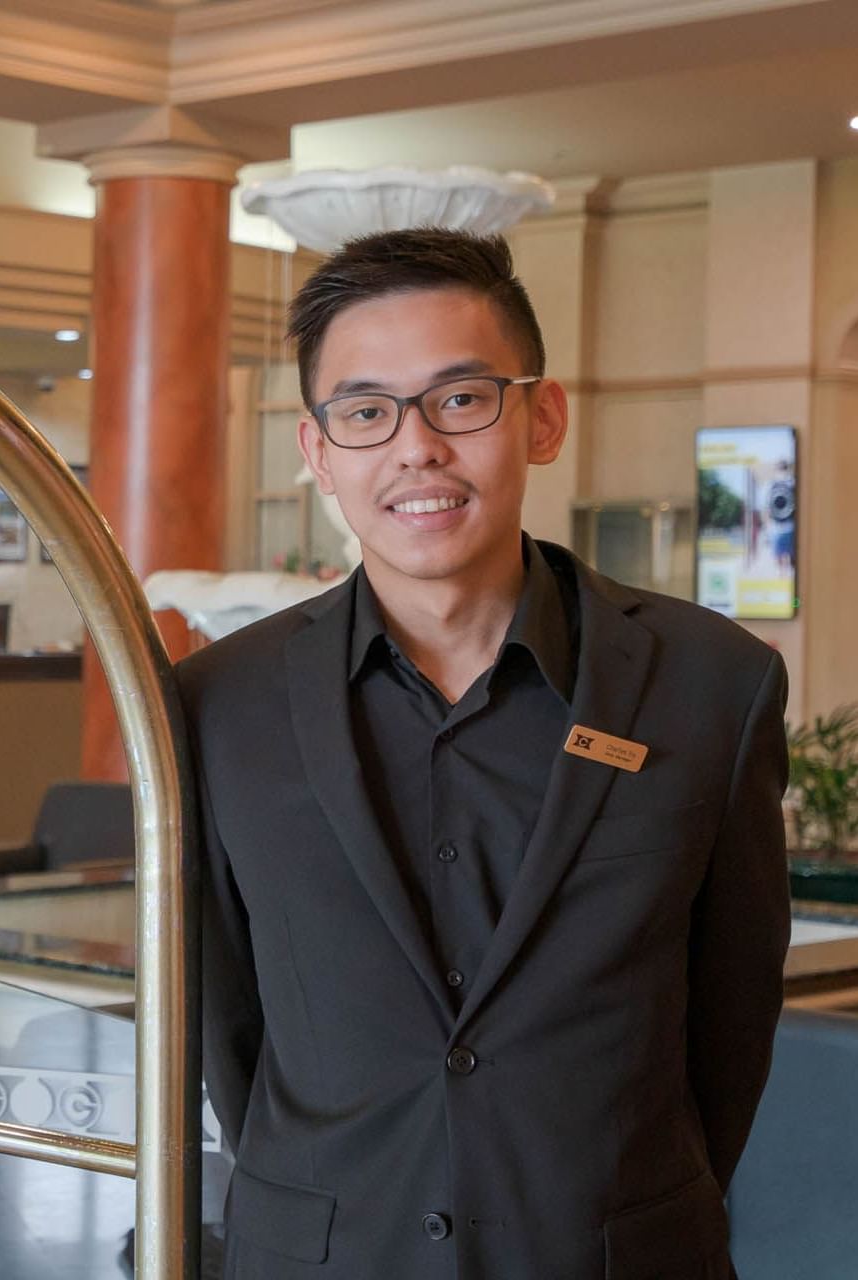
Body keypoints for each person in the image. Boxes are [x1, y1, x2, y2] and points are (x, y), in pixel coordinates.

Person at [177, 229, 789, 1279]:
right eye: (365, 413)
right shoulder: (218, 703)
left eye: (460, 399)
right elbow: (223, 1021)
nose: (416, 448)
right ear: (319, 452)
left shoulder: (710, 684)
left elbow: (731, 1021)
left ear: (540, 418)